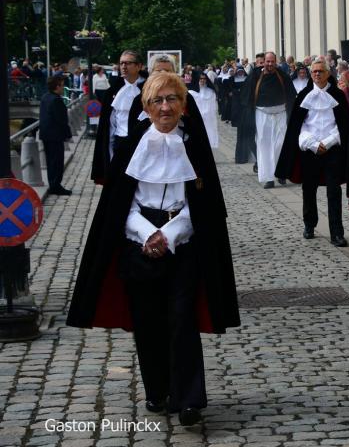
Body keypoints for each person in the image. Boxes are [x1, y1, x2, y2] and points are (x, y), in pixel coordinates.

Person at [67, 72, 239, 427]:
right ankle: (157, 390)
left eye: (172, 99)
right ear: (146, 107)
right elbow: (118, 205)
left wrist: (171, 233)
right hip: (138, 244)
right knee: (148, 323)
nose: (165, 107)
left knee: (182, 318)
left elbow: (203, 205)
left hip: (183, 244)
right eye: (158, 101)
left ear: (183, 105)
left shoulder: (194, 146)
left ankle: (188, 399)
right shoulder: (133, 147)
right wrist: (148, 234)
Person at [275, 58, 349, 245]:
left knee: (334, 191)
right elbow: (298, 127)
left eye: (321, 71)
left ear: (328, 73)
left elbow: (343, 125)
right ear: (311, 74)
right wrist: (313, 144)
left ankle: (337, 232)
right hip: (310, 149)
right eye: (314, 71)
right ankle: (309, 224)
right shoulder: (303, 96)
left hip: (332, 148)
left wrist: (328, 142)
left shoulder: (339, 95)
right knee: (309, 189)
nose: (317, 74)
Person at [92, 50, 144, 184]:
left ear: (139, 66)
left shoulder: (148, 89)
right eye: (121, 63)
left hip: (142, 143)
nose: (124, 67)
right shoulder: (113, 92)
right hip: (120, 142)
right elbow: (109, 124)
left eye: (128, 63)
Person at [244, 51, 295, 188]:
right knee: (264, 145)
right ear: (264, 61)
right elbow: (248, 94)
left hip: (280, 113)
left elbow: (291, 94)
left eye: (272, 61)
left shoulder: (282, 75)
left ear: (276, 61)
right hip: (262, 113)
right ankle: (268, 177)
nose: (270, 64)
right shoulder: (255, 75)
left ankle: (281, 173)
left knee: (280, 144)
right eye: (268, 61)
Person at [40, 76, 73, 196]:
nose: (63, 87)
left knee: (50, 161)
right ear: (57, 86)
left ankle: (53, 184)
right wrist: (68, 134)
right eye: (62, 85)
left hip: (46, 134)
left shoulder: (45, 97)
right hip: (55, 135)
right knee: (57, 162)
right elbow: (61, 120)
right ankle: (55, 186)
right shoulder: (56, 100)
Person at [230, 66, 256, 164]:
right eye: (239, 72)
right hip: (239, 106)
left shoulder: (247, 79)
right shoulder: (233, 79)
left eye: (242, 71)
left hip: (247, 108)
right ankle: (241, 156)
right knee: (241, 134)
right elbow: (232, 89)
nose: (240, 73)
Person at [189, 73, 219, 149]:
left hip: (208, 118)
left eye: (204, 79)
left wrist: (208, 114)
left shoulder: (211, 92)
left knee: (208, 135)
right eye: (200, 78)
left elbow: (213, 107)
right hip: (196, 117)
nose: (202, 80)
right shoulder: (191, 92)